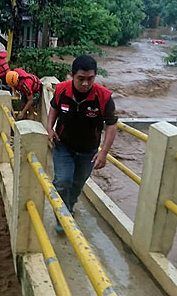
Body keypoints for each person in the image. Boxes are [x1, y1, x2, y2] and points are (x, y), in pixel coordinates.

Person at [47, 55, 117, 234]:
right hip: (63, 145)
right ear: (72, 75)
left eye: (90, 79)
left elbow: (112, 125)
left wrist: (104, 153)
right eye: (81, 79)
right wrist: (49, 127)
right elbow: (54, 107)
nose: (85, 83)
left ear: (95, 76)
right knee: (62, 181)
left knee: (77, 184)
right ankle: (62, 218)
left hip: (88, 151)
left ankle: (69, 207)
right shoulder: (62, 90)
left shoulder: (104, 97)